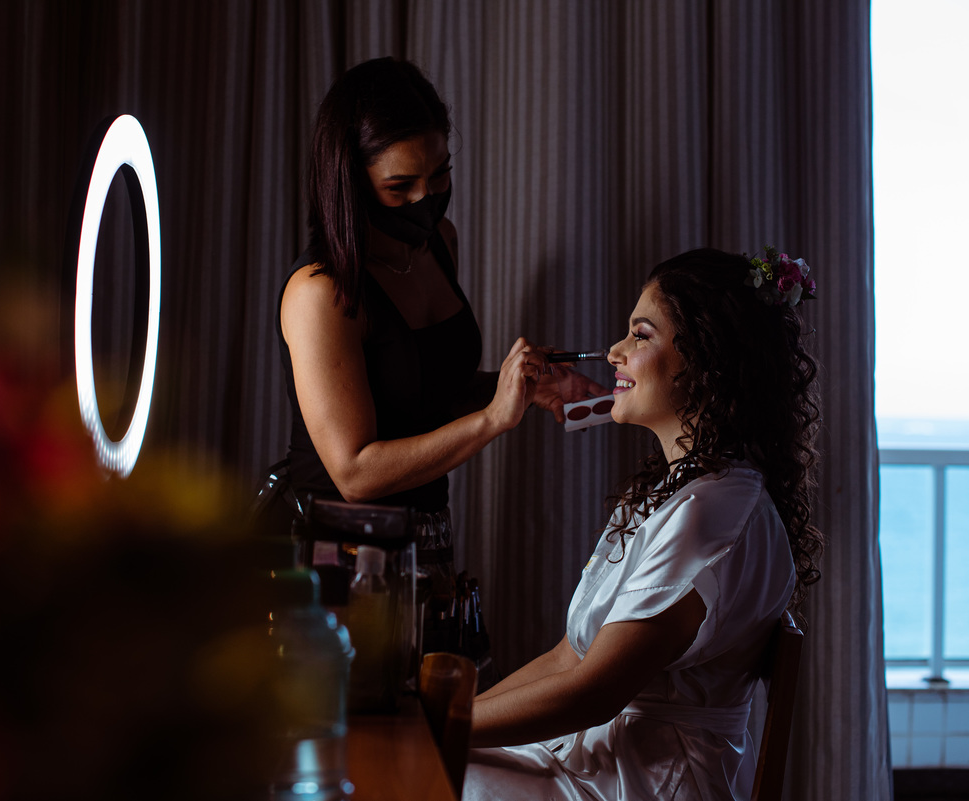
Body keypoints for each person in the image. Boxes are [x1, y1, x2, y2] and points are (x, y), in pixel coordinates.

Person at [462, 247, 822, 800]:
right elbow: (569, 656)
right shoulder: (678, 493)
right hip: (602, 761)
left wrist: (439, 728)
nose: (613, 352)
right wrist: (445, 720)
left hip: (645, 782)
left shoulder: (709, 514)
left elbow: (592, 691)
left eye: (641, 335)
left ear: (708, 362)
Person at [273, 56, 602, 636]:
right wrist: (492, 420)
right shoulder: (319, 291)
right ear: (352, 181)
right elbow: (355, 472)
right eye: (401, 186)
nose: (428, 200)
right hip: (343, 562)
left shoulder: (439, 242)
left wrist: (519, 386)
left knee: (445, 717)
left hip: (428, 543)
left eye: (441, 175)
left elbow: (429, 390)